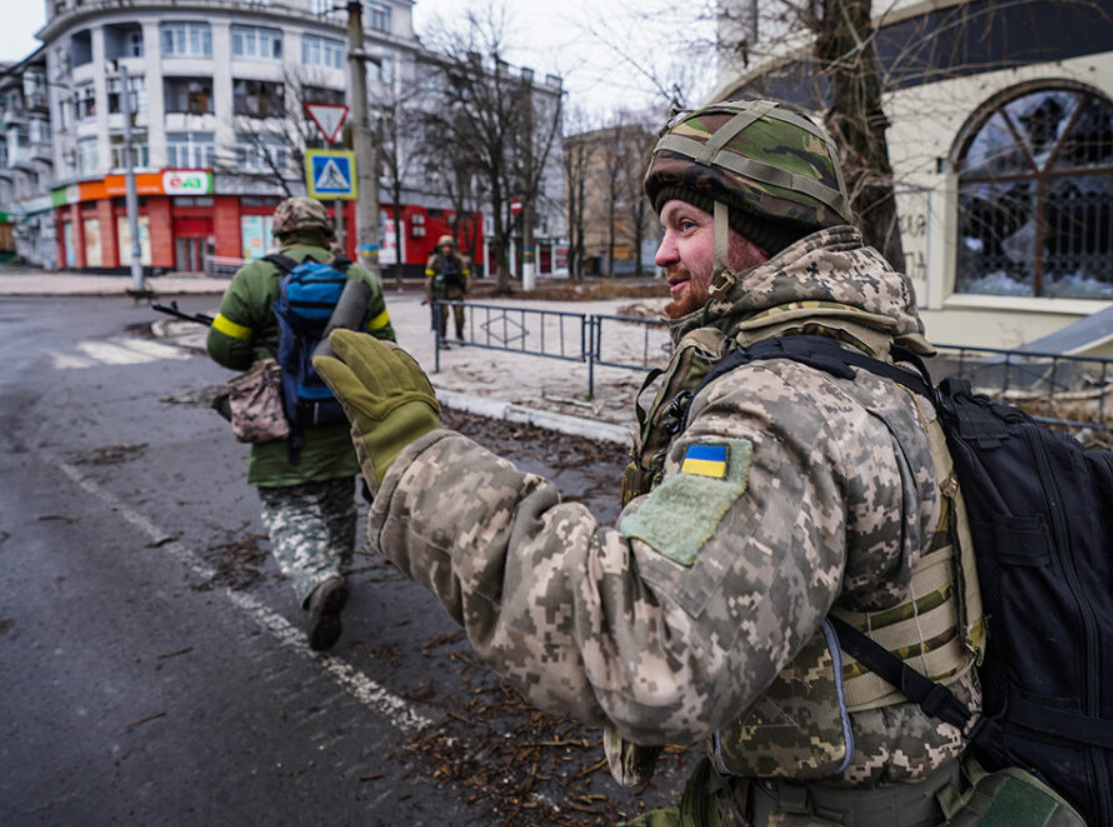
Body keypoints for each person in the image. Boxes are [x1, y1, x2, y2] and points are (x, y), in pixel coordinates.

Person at [315, 101, 985, 825]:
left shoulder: (784, 403)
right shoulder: (870, 357)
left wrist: (417, 459)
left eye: (686, 226)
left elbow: (652, 649)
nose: (660, 253)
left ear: (756, 231)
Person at [206, 197, 396, 652]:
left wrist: (264, 351)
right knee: (336, 497)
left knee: (288, 505)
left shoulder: (254, 277)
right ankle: (339, 571)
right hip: (342, 416)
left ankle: (318, 580)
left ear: (282, 231)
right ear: (326, 232)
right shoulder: (358, 279)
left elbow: (222, 348)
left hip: (281, 421)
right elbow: (386, 345)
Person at [424, 234, 468, 346]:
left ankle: (459, 335)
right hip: (440, 292)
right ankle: (442, 338)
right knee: (442, 316)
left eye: (448, 247)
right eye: (444, 247)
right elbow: (429, 280)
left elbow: (466, 276)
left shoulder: (458, 260)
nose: (446, 249)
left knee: (459, 315)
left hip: (455, 290)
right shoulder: (435, 260)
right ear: (440, 247)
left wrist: (467, 291)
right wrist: (430, 296)